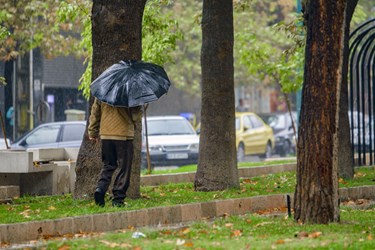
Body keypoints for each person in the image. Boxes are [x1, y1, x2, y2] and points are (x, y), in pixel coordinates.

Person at [88, 98, 142, 207]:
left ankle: (101, 188)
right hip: (124, 136)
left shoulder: (103, 90)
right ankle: (118, 199)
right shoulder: (129, 92)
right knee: (124, 168)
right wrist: (139, 107)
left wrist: (93, 131)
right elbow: (135, 117)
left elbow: (95, 112)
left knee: (108, 165)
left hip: (106, 135)